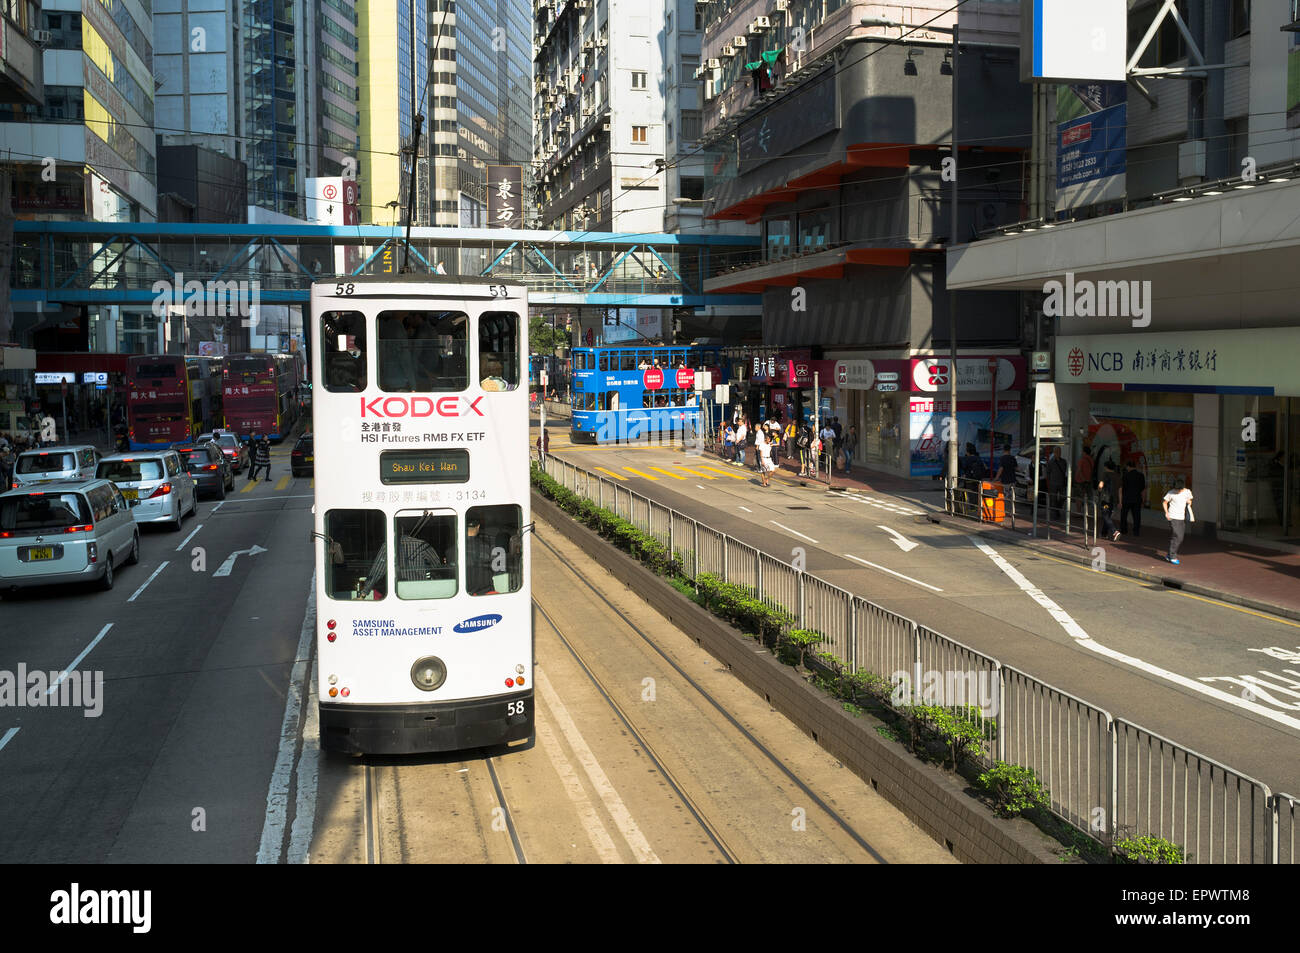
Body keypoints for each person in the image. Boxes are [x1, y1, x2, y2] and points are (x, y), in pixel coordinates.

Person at [360, 521, 444, 599]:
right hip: (420, 592)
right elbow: (437, 567)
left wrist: (363, 594)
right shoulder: (422, 544)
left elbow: (377, 571)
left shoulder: (387, 546)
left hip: (399, 594)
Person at [1162, 476, 1194, 565]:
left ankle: (1169, 554)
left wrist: (1189, 502)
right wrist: (1166, 513)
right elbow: (1164, 502)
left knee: (1180, 538)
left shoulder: (1187, 492)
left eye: (1180, 489)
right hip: (1172, 516)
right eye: (1177, 489)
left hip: (1181, 517)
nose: (1178, 491)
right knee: (1177, 536)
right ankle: (1172, 556)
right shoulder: (1171, 493)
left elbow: (1190, 501)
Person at [1120, 459, 1147, 536]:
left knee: (1124, 515)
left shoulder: (1125, 476)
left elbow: (1122, 488)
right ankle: (1136, 531)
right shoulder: (1141, 475)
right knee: (1137, 516)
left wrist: (1120, 500)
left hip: (1126, 498)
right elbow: (1143, 489)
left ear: (1128, 467)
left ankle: (1124, 530)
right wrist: (1143, 500)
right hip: (1137, 498)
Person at [1096, 463, 1120, 541]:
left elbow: (1100, 486)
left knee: (1105, 515)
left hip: (1106, 499)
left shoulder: (1105, 474)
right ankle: (1104, 533)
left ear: (1106, 467)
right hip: (1114, 499)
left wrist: (1099, 491)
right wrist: (1120, 501)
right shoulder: (1117, 476)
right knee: (1107, 516)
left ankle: (1114, 531)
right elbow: (1120, 490)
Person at [1046, 446, 1068, 521]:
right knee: (1053, 499)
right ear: (1054, 453)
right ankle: (1055, 514)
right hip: (1053, 483)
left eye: (1060, 451)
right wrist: (1050, 481)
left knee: (1063, 497)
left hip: (1061, 483)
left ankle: (1057, 509)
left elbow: (1065, 471)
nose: (1059, 453)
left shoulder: (1064, 461)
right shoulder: (1051, 462)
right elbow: (1048, 472)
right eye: (1057, 452)